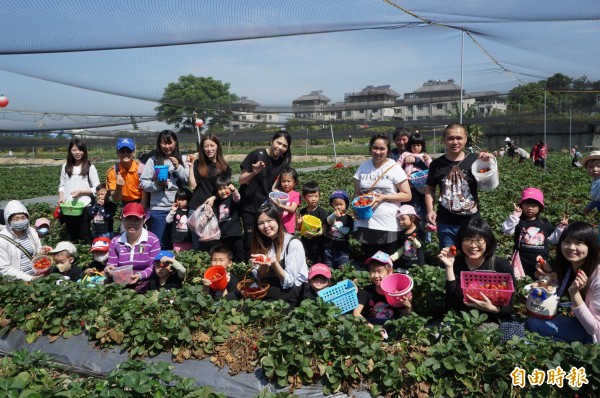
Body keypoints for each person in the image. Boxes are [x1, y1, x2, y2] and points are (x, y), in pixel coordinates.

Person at [424, 123, 496, 248]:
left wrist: (491, 161)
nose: (455, 142)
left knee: (471, 256)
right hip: (445, 222)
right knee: (449, 259)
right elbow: (430, 188)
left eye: (459, 138)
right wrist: (430, 209)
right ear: (444, 140)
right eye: (450, 138)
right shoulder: (436, 164)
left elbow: (491, 182)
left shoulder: (475, 160)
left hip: (471, 222)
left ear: (466, 139)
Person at [526, 221, 599, 343]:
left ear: (590, 246)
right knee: (533, 322)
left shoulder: (597, 277)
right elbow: (554, 285)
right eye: (567, 241)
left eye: (579, 243)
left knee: (532, 334)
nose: (571, 247)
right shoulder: (569, 267)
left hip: (595, 339)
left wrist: (574, 293)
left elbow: (593, 329)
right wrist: (546, 277)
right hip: (580, 325)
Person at [438, 218, 515, 324]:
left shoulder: (501, 266)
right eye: (468, 239)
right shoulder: (457, 262)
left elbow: (509, 307)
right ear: (460, 241)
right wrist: (449, 267)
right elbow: (451, 302)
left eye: (479, 240)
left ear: (487, 241)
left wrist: (491, 308)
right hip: (462, 320)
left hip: (492, 322)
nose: (473, 245)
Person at [353, 132, 411, 260]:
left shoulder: (394, 168)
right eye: (375, 148)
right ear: (370, 148)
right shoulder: (363, 167)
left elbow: (407, 195)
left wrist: (384, 197)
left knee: (387, 263)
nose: (378, 152)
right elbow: (357, 193)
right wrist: (356, 208)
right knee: (370, 261)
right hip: (365, 223)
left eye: (382, 148)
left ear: (388, 150)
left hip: (387, 223)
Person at [239, 131, 292, 261]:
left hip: (265, 208)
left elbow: (275, 186)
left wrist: (279, 196)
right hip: (249, 206)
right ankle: (250, 271)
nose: (280, 147)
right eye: (278, 143)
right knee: (250, 240)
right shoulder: (258, 154)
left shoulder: (282, 164)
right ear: (272, 141)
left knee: (267, 238)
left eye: (284, 146)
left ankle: (268, 267)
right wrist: (254, 172)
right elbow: (241, 180)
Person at [501, 187, 567, 279]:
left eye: (534, 205)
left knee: (541, 282)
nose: (530, 208)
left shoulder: (544, 223)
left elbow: (553, 240)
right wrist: (515, 216)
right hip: (521, 261)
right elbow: (506, 230)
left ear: (540, 207)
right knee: (520, 283)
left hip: (540, 261)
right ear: (521, 205)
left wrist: (561, 228)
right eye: (527, 204)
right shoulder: (518, 221)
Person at [140, 130, 190, 249]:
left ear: (175, 143)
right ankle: (160, 267)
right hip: (159, 209)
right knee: (160, 244)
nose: (167, 146)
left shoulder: (182, 159)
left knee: (180, 244)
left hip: (179, 209)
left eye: (170, 143)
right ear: (159, 144)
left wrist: (178, 167)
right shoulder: (153, 160)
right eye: (164, 143)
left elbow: (188, 181)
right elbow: (144, 183)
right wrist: (157, 185)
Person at [251, 203, 308, 305]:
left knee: (253, 305)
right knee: (239, 294)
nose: (266, 226)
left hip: (289, 292)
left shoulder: (293, 244)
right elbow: (260, 277)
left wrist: (274, 264)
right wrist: (264, 264)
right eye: (260, 223)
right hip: (270, 285)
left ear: (277, 220)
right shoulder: (263, 243)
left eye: (269, 221)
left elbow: (289, 282)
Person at [105, 202, 161, 293]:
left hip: (145, 284)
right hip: (121, 283)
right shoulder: (115, 241)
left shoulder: (152, 240)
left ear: (143, 220)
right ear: (122, 219)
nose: (132, 223)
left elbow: (154, 266)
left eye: (136, 219)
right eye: (128, 219)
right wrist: (108, 270)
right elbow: (111, 265)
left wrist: (139, 276)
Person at [188, 133, 231, 250]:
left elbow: (226, 191)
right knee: (197, 246)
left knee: (213, 244)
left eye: (212, 145)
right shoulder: (198, 164)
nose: (209, 149)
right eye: (206, 146)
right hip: (196, 208)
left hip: (214, 209)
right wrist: (191, 167)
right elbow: (192, 186)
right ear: (202, 148)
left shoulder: (225, 167)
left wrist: (214, 198)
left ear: (217, 146)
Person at [58, 139, 100, 243]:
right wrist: (61, 197)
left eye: (80, 150)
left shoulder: (90, 167)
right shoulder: (65, 166)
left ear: (84, 151)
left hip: (84, 206)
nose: (78, 152)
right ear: (70, 151)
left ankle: (88, 254)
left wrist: (81, 192)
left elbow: (97, 187)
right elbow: (62, 185)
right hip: (68, 207)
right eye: (74, 150)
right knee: (72, 235)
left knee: (85, 234)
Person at [353, 251, 412, 326]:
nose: (376, 275)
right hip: (371, 325)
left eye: (379, 271)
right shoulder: (366, 291)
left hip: (391, 326)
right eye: (373, 271)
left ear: (389, 272)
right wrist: (373, 329)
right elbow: (356, 313)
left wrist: (408, 306)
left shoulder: (397, 292)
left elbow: (404, 317)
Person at [0, 200, 51, 281]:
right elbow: (4, 268)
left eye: (23, 217)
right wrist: (29, 278)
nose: (20, 221)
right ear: (8, 220)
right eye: (16, 219)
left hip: (37, 274)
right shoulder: (2, 240)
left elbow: (37, 253)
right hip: (19, 282)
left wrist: (44, 250)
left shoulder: (31, 231)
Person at [398, 132, 431, 228]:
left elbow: (431, 166)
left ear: (422, 146)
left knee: (423, 206)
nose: (416, 148)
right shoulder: (405, 154)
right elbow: (398, 164)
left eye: (418, 145)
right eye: (413, 145)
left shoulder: (424, 155)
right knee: (414, 207)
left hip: (422, 185)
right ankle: (414, 227)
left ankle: (425, 226)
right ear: (410, 146)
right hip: (410, 185)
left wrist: (427, 160)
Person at [106, 138, 146, 206]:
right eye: (122, 151)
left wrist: (142, 208)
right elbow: (116, 199)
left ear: (133, 153)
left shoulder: (142, 169)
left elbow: (147, 192)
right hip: (125, 204)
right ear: (117, 153)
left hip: (143, 201)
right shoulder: (112, 171)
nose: (125, 154)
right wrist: (119, 186)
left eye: (128, 151)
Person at [213, 177, 243, 263]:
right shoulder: (218, 203)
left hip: (235, 233)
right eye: (220, 189)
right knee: (229, 256)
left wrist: (234, 191)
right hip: (224, 235)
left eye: (225, 188)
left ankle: (243, 272)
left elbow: (237, 198)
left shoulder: (231, 199)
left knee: (239, 254)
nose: (223, 191)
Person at [297, 182, 328, 264]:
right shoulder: (302, 211)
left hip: (318, 244)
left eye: (316, 196)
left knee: (317, 262)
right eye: (310, 196)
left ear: (319, 196)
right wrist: (299, 223)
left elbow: (324, 228)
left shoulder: (321, 212)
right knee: (305, 261)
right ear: (304, 197)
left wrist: (316, 234)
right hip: (305, 242)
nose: (313, 198)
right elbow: (298, 229)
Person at [323, 190, 353, 269]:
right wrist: (334, 216)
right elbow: (328, 221)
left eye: (341, 204)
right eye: (336, 204)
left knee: (343, 269)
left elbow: (346, 231)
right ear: (332, 204)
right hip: (328, 249)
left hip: (342, 250)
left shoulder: (348, 218)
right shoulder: (330, 214)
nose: (338, 207)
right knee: (328, 269)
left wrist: (336, 225)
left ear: (346, 204)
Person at [390, 205, 425, 271]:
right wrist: (393, 258)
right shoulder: (402, 233)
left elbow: (419, 246)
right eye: (399, 220)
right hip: (404, 264)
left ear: (412, 218)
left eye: (403, 219)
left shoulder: (420, 232)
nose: (401, 222)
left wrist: (414, 240)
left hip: (417, 265)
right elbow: (401, 249)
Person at [270, 167, 301, 235]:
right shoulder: (280, 194)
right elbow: (273, 189)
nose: (286, 184)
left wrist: (280, 205)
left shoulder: (296, 195)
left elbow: (292, 209)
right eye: (283, 181)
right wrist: (278, 178)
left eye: (288, 181)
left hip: (289, 228)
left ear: (294, 182)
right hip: (278, 227)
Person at [166, 188, 192, 253]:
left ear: (188, 199)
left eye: (183, 200)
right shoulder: (175, 211)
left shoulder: (191, 211)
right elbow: (168, 220)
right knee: (177, 258)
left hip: (189, 240)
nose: (180, 202)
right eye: (178, 199)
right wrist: (172, 211)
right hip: (177, 240)